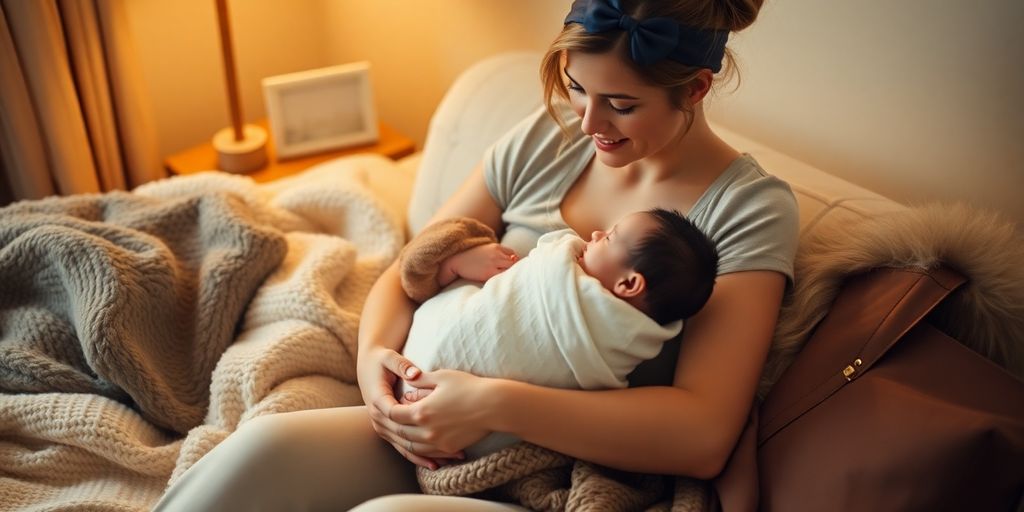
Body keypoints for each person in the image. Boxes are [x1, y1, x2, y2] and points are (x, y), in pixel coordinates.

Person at [154, 0, 798, 510]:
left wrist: (491, 403)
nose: (588, 122)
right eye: (578, 88)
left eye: (622, 104)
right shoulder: (547, 139)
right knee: (261, 450)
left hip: (545, 469)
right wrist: (374, 358)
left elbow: (704, 432)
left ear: (694, 89)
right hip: (421, 423)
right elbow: (415, 268)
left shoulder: (745, 210)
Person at [398, 208, 719, 458]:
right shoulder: (629, 345)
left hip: (430, 401)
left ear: (628, 284)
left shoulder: (561, 270)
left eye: (609, 237)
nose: (595, 233)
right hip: (430, 414)